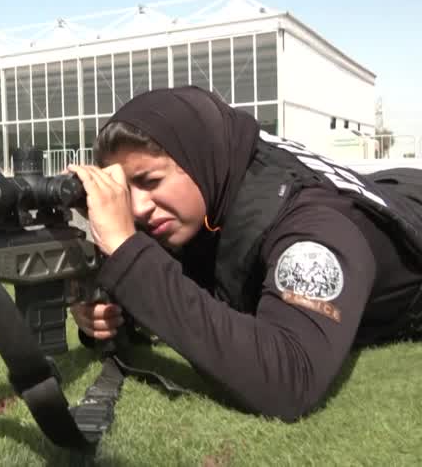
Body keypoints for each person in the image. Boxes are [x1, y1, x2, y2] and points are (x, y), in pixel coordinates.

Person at [66, 85, 422, 422]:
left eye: (150, 181)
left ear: (201, 158)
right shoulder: (210, 197)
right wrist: (110, 313)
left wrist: (129, 254)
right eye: (125, 191)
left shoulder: (312, 224)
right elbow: (192, 286)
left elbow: (289, 380)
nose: (139, 207)